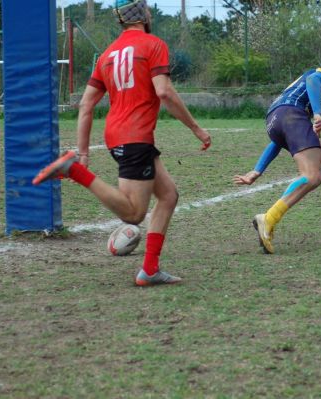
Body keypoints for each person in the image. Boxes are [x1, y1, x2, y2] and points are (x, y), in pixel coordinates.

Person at [33, 0, 211, 286]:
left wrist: (84, 151)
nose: (151, 12)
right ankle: (73, 171)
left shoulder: (106, 55)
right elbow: (164, 92)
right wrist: (196, 128)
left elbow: (86, 105)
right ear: (141, 14)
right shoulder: (153, 45)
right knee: (134, 213)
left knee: (168, 196)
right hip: (135, 137)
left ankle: (149, 269)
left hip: (120, 135)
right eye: (148, 8)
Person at [234, 66, 321, 254]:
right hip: (292, 116)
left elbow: (280, 138)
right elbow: (313, 80)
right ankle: (268, 218)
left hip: (275, 120)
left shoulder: (299, 99)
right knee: (312, 176)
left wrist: (258, 169)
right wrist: (317, 113)